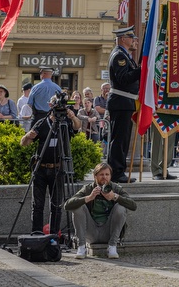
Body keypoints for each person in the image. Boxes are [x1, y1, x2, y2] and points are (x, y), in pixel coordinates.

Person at [21, 100, 82, 233]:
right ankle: (36, 233)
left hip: (58, 168)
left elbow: (78, 126)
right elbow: (23, 143)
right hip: (41, 168)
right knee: (37, 205)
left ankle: (54, 235)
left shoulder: (65, 123)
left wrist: (72, 116)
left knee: (56, 205)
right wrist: (27, 136)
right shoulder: (42, 122)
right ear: (51, 106)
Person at [65, 162, 137, 259]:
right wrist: (89, 197)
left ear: (111, 176)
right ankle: (81, 247)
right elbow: (67, 205)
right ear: (95, 176)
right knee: (78, 207)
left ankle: (112, 246)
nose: (104, 177)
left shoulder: (115, 188)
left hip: (109, 231)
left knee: (121, 207)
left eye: (107, 174)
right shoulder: (88, 188)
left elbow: (133, 206)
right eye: (101, 175)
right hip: (91, 231)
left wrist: (115, 197)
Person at [107, 26, 141, 184]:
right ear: (122, 39)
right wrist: (141, 70)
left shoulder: (125, 55)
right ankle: (116, 172)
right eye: (131, 37)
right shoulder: (119, 56)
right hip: (121, 102)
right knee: (119, 140)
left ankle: (118, 171)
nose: (135, 40)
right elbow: (124, 78)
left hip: (125, 102)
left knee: (123, 139)